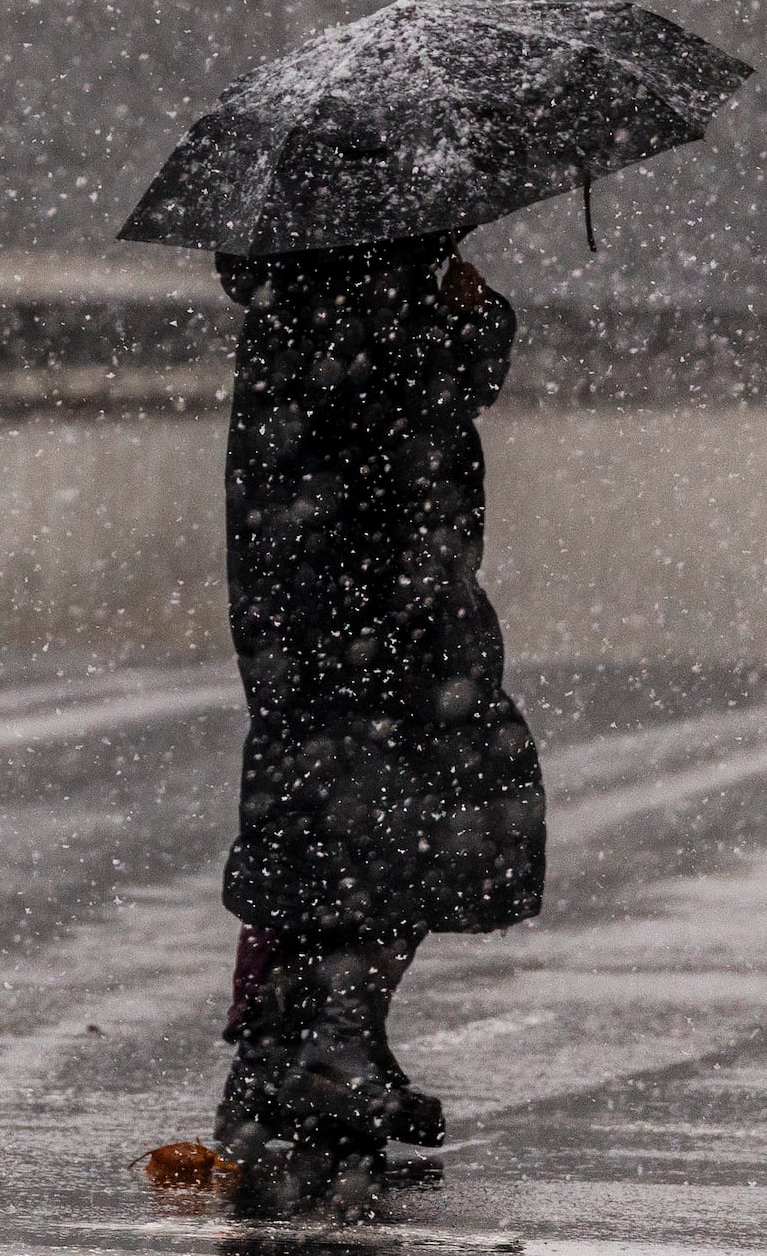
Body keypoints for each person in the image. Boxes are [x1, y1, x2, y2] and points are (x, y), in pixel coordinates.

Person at [207, 238, 546, 1197]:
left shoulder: (296, 288)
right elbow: (428, 399)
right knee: (420, 807)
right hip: (385, 600)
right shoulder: (365, 293)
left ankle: (289, 1047)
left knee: (324, 814)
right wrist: (468, 316)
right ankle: (333, 1038)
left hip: (314, 597)